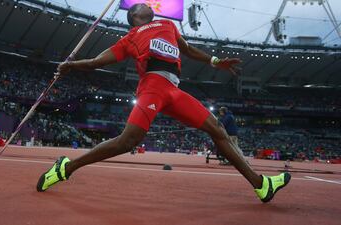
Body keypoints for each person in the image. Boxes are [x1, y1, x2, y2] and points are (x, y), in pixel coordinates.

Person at [36, 3, 291, 203]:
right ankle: (66, 168)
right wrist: (72, 66)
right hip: (152, 88)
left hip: (174, 90)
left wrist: (214, 62)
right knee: (128, 141)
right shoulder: (131, 37)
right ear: (135, 15)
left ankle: (261, 185)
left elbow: (188, 50)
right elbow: (97, 61)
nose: (148, 4)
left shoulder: (168, 25)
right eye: (143, 4)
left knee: (217, 130)